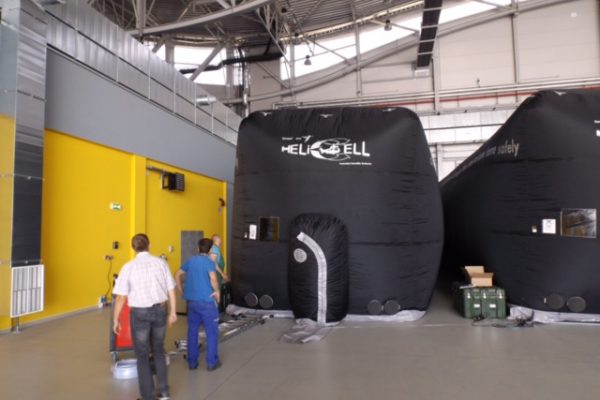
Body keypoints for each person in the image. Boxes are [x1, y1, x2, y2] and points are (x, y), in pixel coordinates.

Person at [113, 233, 177, 400]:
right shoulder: (161, 263)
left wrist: (115, 319)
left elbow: (121, 297)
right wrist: (173, 312)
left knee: (142, 355)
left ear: (133, 248)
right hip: (160, 310)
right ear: (149, 245)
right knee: (159, 350)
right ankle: (164, 392)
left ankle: (148, 396)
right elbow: (171, 289)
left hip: (139, 313)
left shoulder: (128, 267)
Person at [176, 238, 221, 371]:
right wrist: (217, 292)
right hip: (207, 302)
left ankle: (192, 362)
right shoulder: (209, 262)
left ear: (197, 248)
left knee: (192, 331)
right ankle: (211, 362)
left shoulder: (191, 261)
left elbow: (177, 274)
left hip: (192, 303)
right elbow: (213, 279)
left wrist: (182, 291)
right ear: (210, 250)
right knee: (211, 332)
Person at [209, 234, 229, 310]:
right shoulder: (214, 249)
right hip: (215, 273)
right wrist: (222, 273)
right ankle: (213, 311)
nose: (221, 241)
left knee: (215, 292)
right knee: (215, 292)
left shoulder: (216, 248)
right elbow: (213, 263)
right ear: (215, 240)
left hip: (217, 273)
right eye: (219, 239)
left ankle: (214, 310)